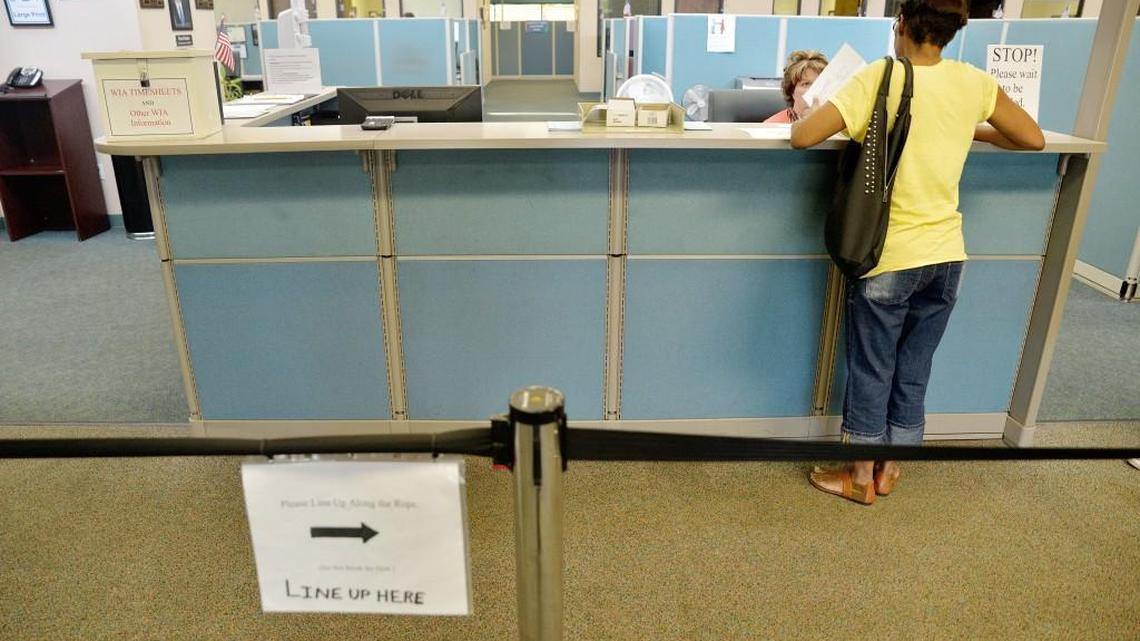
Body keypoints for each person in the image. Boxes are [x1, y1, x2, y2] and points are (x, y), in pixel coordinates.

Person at [789, 0, 1044, 505]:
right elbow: (1031, 138)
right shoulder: (971, 83)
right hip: (947, 255)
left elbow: (802, 136)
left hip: (889, 255)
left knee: (871, 367)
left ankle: (860, 477)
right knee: (914, 367)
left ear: (901, 24)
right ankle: (890, 470)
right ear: (950, 32)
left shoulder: (879, 77)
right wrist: (964, 126)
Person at [764, 50, 828, 124]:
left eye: (819, 83)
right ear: (791, 91)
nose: (814, 90)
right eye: (806, 84)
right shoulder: (771, 126)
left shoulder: (838, 125)